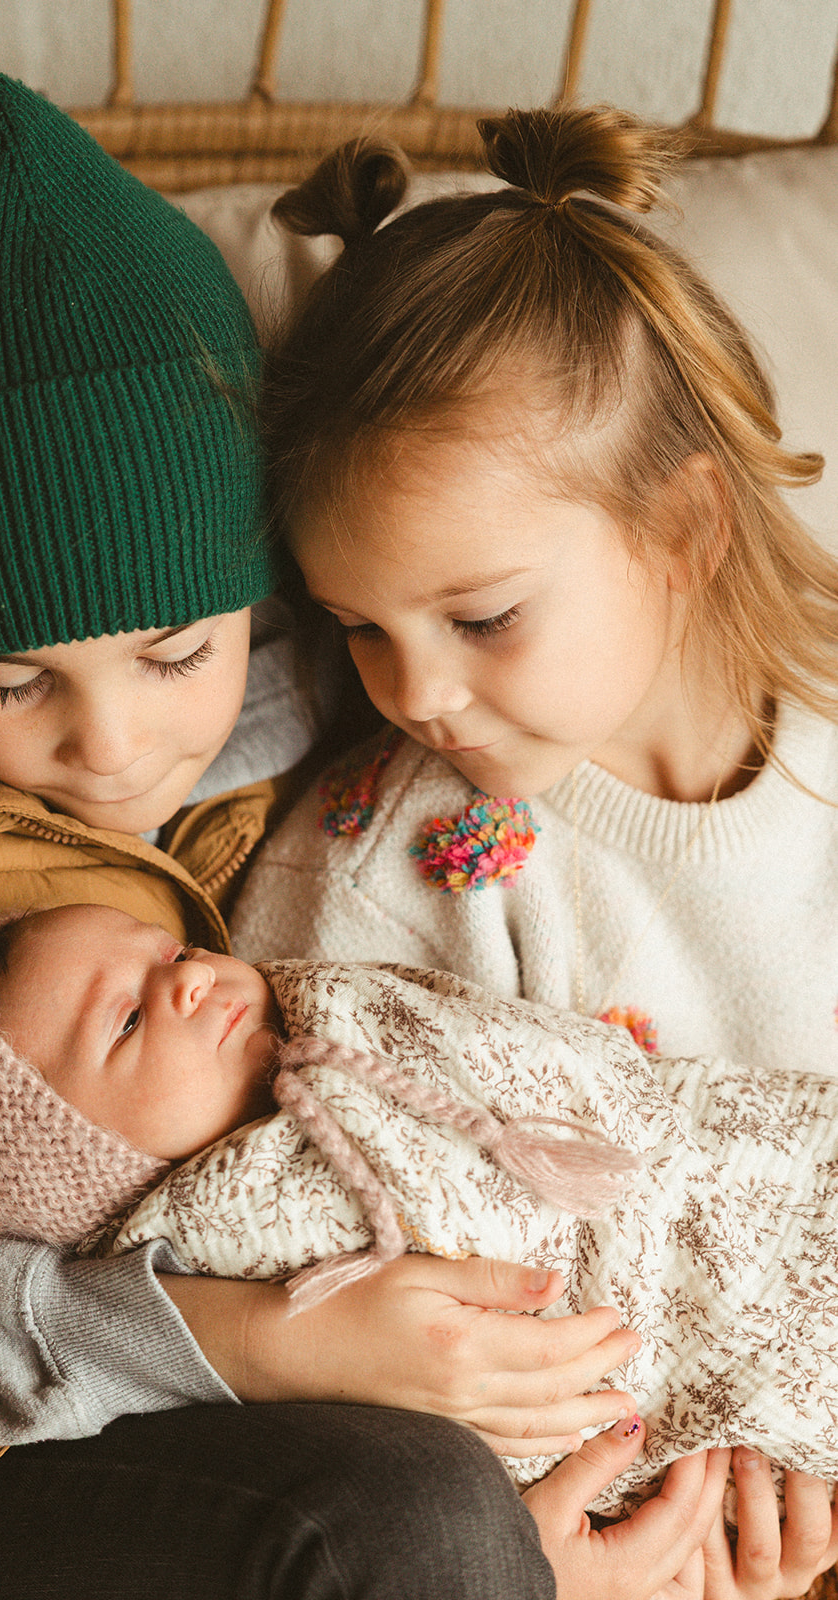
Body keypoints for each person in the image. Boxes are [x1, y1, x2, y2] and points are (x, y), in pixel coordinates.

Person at [0, 68, 669, 1600]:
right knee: (416, 1524)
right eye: (8, 683)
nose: (111, 745)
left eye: (177, 654)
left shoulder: (358, 668)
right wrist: (254, 1342)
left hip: (323, 1381)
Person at [223, 102, 838, 1593]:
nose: (417, 693)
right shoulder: (384, 872)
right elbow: (333, 1275)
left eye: (480, 616)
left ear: (682, 530)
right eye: (359, 627)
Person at [0, 900, 838, 1530]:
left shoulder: (335, 1007)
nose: (190, 979)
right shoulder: (236, 1237)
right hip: (680, 1336)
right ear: (89, 1162)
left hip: (727, 1157)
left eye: (173, 951)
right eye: (127, 1020)